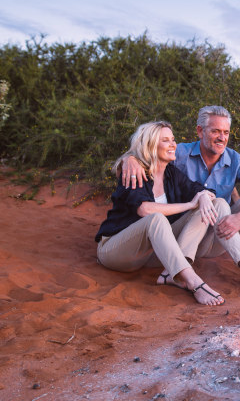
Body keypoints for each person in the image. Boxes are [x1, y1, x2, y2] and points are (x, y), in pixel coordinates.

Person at [121, 106, 240, 290]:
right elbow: (150, 152)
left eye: (226, 132)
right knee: (219, 203)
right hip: (180, 237)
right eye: (215, 131)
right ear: (200, 131)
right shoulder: (180, 154)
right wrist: (129, 159)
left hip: (220, 237)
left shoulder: (236, 160)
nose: (222, 137)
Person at [96, 121, 231, 306]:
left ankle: (173, 272)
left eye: (173, 140)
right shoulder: (134, 173)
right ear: (151, 145)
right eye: (165, 140)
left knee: (205, 205)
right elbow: (145, 209)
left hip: (148, 256)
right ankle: (193, 282)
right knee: (156, 219)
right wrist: (189, 204)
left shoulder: (170, 173)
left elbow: (196, 188)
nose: (173, 144)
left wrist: (204, 196)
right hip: (116, 252)